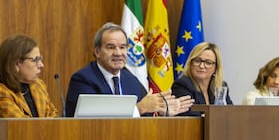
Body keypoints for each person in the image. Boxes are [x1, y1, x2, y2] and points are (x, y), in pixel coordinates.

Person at [65, 22, 194, 117]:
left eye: (122, 47)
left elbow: (146, 114)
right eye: (111, 47)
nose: (118, 53)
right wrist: (139, 108)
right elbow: (91, 121)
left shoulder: (130, 79)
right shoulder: (83, 80)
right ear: (97, 51)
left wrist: (161, 112)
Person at [0, 34, 58, 118]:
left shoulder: (39, 86)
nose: (41, 65)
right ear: (16, 64)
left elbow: (54, 116)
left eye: (40, 59)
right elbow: (22, 126)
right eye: (35, 60)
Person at [171, 42, 233, 116]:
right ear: (190, 63)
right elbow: (192, 118)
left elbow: (231, 114)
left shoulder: (220, 86)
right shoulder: (182, 85)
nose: (202, 66)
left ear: (216, 68)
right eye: (197, 61)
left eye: (208, 62)